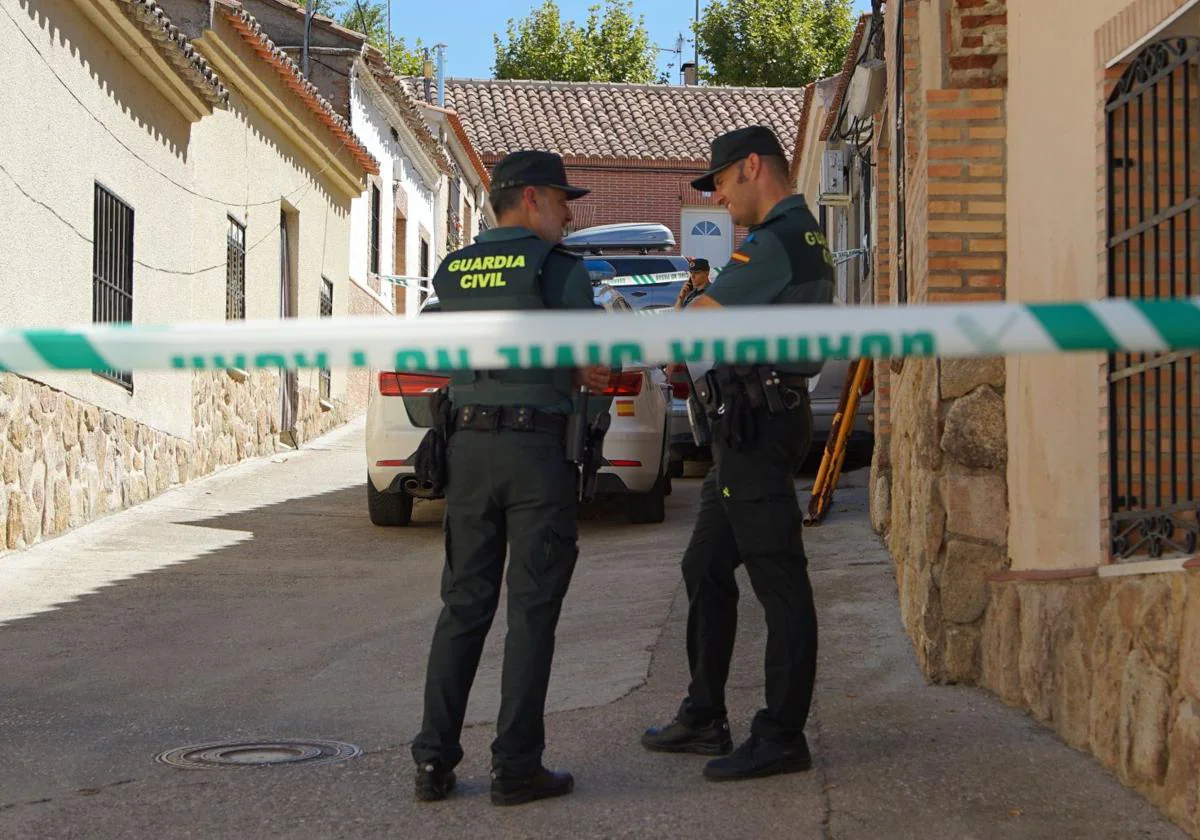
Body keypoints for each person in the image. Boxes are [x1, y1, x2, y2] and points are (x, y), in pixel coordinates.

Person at [411, 150, 610, 807]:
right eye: (561, 199)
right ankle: (516, 766)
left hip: (466, 448)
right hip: (533, 452)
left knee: (463, 607)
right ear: (528, 199)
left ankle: (433, 764)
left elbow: (430, 352)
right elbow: (597, 364)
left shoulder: (454, 268)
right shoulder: (558, 270)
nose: (568, 212)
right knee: (531, 611)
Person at [641, 125, 834, 781]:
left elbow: (698, 322)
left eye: (721, 185)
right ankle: (704, 714)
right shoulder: (799, 231)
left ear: (753, 167)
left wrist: (690, 305)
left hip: (757, 424)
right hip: (752, 423)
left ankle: (782, 734)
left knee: (778, 578)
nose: (721, 202)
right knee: (705, 565)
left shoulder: (776, 239)